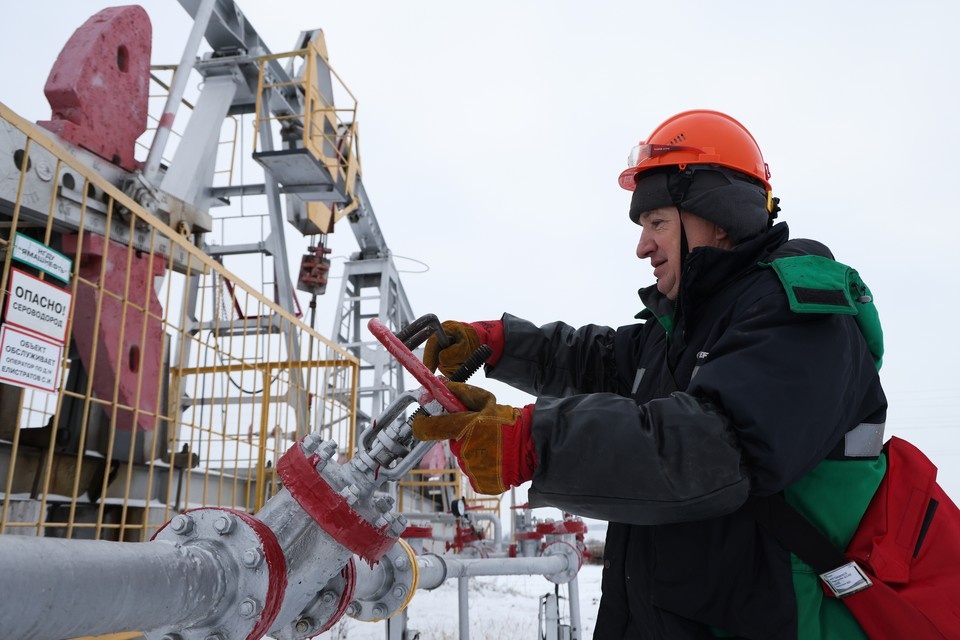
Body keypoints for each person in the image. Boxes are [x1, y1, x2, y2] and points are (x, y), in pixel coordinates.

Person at [411, 109, 886, 639]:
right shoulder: (685, 325)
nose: (642, 246)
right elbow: (600, 359)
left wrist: (532, 440)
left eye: (657, 222)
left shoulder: (801, 316)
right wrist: (496, 344)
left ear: (719, 215)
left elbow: (712, 447)